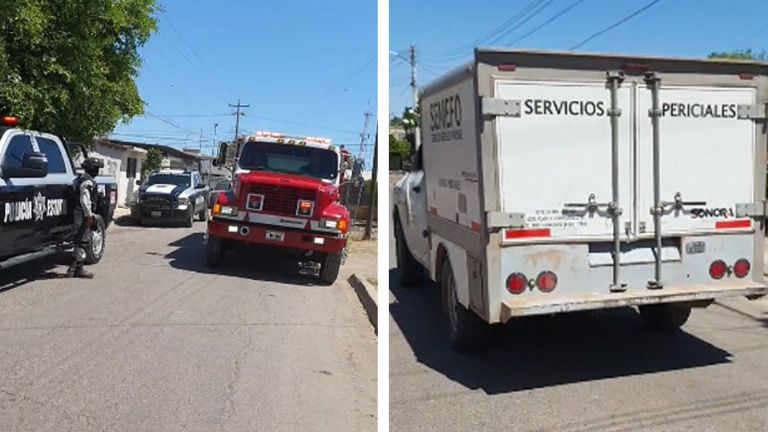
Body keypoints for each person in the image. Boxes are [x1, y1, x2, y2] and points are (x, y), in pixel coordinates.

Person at [67, 157, 102, 278]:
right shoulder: (87, 182)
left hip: (80, 213)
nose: (97, 171)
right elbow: (85, 200)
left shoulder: (81, 179)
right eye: (96, 168)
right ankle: (77, 268)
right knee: (83, 240)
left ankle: (75, 268)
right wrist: (89, 216)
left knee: (81, 240)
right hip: (82, 214)